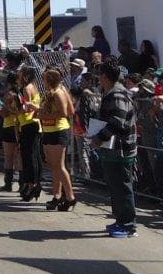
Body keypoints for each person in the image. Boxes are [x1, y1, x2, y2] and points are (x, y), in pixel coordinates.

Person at [87, 62, 139, 237]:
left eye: (100, 74)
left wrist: (99, 137)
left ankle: (128, 224)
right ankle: (120, 220)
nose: (98, 78)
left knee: (122, 186)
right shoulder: (110, 93)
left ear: (105, 76)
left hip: (121, 149)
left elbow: (119, 122)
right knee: (115, 186)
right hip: (112, 149)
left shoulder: (117, 94)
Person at [37, 67, 76, 211]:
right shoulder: (49, 93)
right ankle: (57, 195)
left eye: (44, 78)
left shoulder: (59, 92)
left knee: (59, 166)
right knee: (54, 166)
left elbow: (65, 112)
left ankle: (70, 197)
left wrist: (43, 116)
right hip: (48, 130)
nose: (42, 80)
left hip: (58, 131)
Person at [15, 67, 43, 201]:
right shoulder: (34, 87)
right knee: (32, 155)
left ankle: (33, 184)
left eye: (20, 74)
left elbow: (26, 109)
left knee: (29, 156)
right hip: (31, 124)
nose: (18, 76)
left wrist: (16, 110)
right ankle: (32, 183)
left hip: (29, 124)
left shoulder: (27, 88)